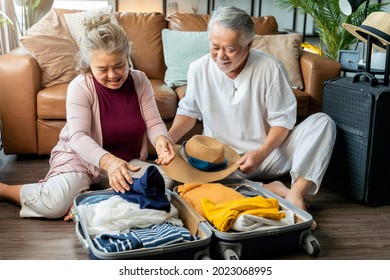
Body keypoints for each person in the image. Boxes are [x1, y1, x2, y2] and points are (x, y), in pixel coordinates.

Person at [168, 6, 336, 231]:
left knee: (323, 123)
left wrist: (260, 153)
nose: (220, 55)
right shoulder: (198, 69)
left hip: (270, 154)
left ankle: (295, 193)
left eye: (230, 49)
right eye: (215, 47)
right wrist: (166, 140)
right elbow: (188, 112)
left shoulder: (270, 67)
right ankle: (269, 188)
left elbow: (282, 120)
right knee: (186, 181)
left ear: (249, 45)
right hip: (224, 165)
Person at [0, 14, 175, 221]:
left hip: (125, 161)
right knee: (54, 204)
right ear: (89, 65)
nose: (113, 75)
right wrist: (109, 162)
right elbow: (79, 137)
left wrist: (161, 139)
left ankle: (88, 199)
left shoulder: (140, 80)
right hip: (81, 159)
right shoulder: (80, 86)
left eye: (119, 65)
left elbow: (154, 123)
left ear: (127, 57)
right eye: (102, 69)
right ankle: (5, 190)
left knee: (164, 183)